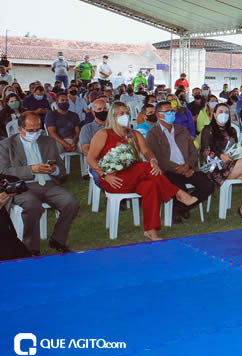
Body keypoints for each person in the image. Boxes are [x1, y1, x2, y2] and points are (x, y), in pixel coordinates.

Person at [87, 101, 198, 241]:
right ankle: (178, 193)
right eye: (121, 113)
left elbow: (146, 151)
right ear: (113, 116)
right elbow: (90, 159)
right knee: (145, 167)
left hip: (134, 176)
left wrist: (153, 160)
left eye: (127, 113)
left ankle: (151, 231)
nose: (125, 116)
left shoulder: (134, 134)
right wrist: (104, 175)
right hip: (113, 179)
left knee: (150, 186)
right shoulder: (103, 134)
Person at [0, 112, 79, 255]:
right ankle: (32, 247)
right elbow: (4, 171)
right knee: (33, 205)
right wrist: (31, 169)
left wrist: (54, 170)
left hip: (48, 184)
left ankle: (58, 239)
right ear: (20, 129)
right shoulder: (6, 145)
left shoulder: (48, 141)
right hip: (22, 186)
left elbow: (62, 170)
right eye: (31, 130)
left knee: (71, 202)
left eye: (38, 129)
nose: (35, 133)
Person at [147, 102, 213, 223]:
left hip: (188, 168)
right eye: (168, 111)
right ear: (159, 115)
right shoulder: (153, 134)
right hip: (169, 171)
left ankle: (180, 208)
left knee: (208, 185)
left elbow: (193, 151)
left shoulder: (182, 130)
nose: (172, 113)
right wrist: (177, 168)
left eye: (172, 111)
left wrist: (188, 166)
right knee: (179, 187)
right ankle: (180, 208)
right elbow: (158, 157)